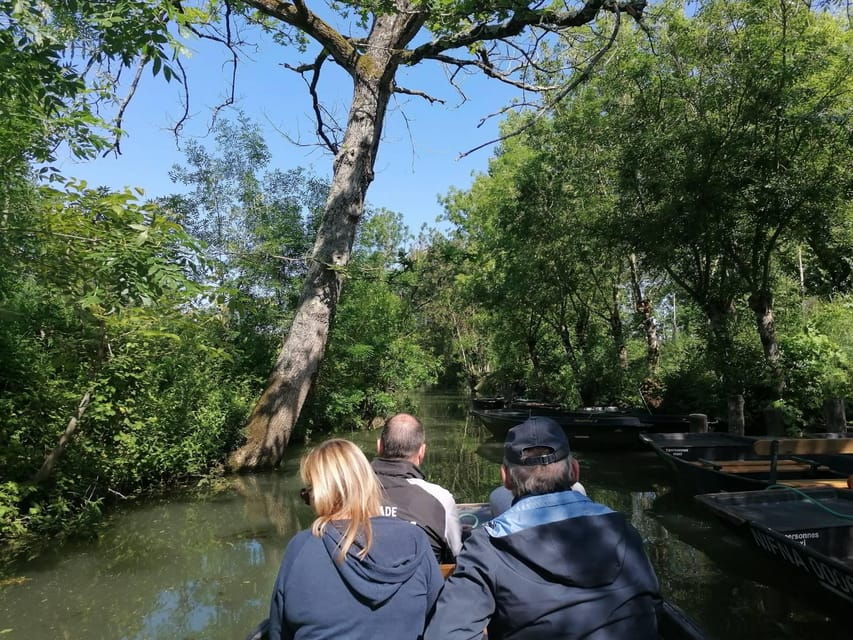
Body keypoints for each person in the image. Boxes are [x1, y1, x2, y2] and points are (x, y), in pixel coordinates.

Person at [424, 416, 661, 640]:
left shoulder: (486, 549)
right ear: (575, 472)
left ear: (505, 477)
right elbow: (654, 608)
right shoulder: (623, 530)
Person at [265, 438, 442, 640]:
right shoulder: (415, 539)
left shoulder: (301, 547)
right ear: (368, 482)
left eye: (307, 495)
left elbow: (278, 632)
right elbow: (437, 617)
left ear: (320, 494)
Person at [372, 413, 462, 562]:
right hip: (421, 584)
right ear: (422, 451)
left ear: (379, 446)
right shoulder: (440, 499)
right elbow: (457, 554)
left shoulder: (349, 492)